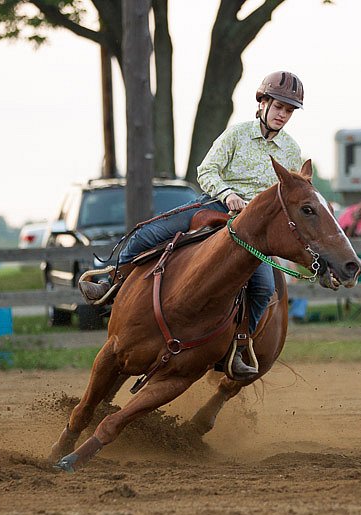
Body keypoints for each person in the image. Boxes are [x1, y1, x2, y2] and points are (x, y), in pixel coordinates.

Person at [79, 71, 305, 379]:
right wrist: (228, 194)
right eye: (278, 106)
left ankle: (239, 346)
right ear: (262, 103)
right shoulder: (236, 135)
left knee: (264, 288)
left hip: (256, 229)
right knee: (148, 233)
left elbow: (290, 194)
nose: (283, 114)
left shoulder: (291, 150)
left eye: (289, 110)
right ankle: (112, 282)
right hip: (215, 205)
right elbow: (207, 170)